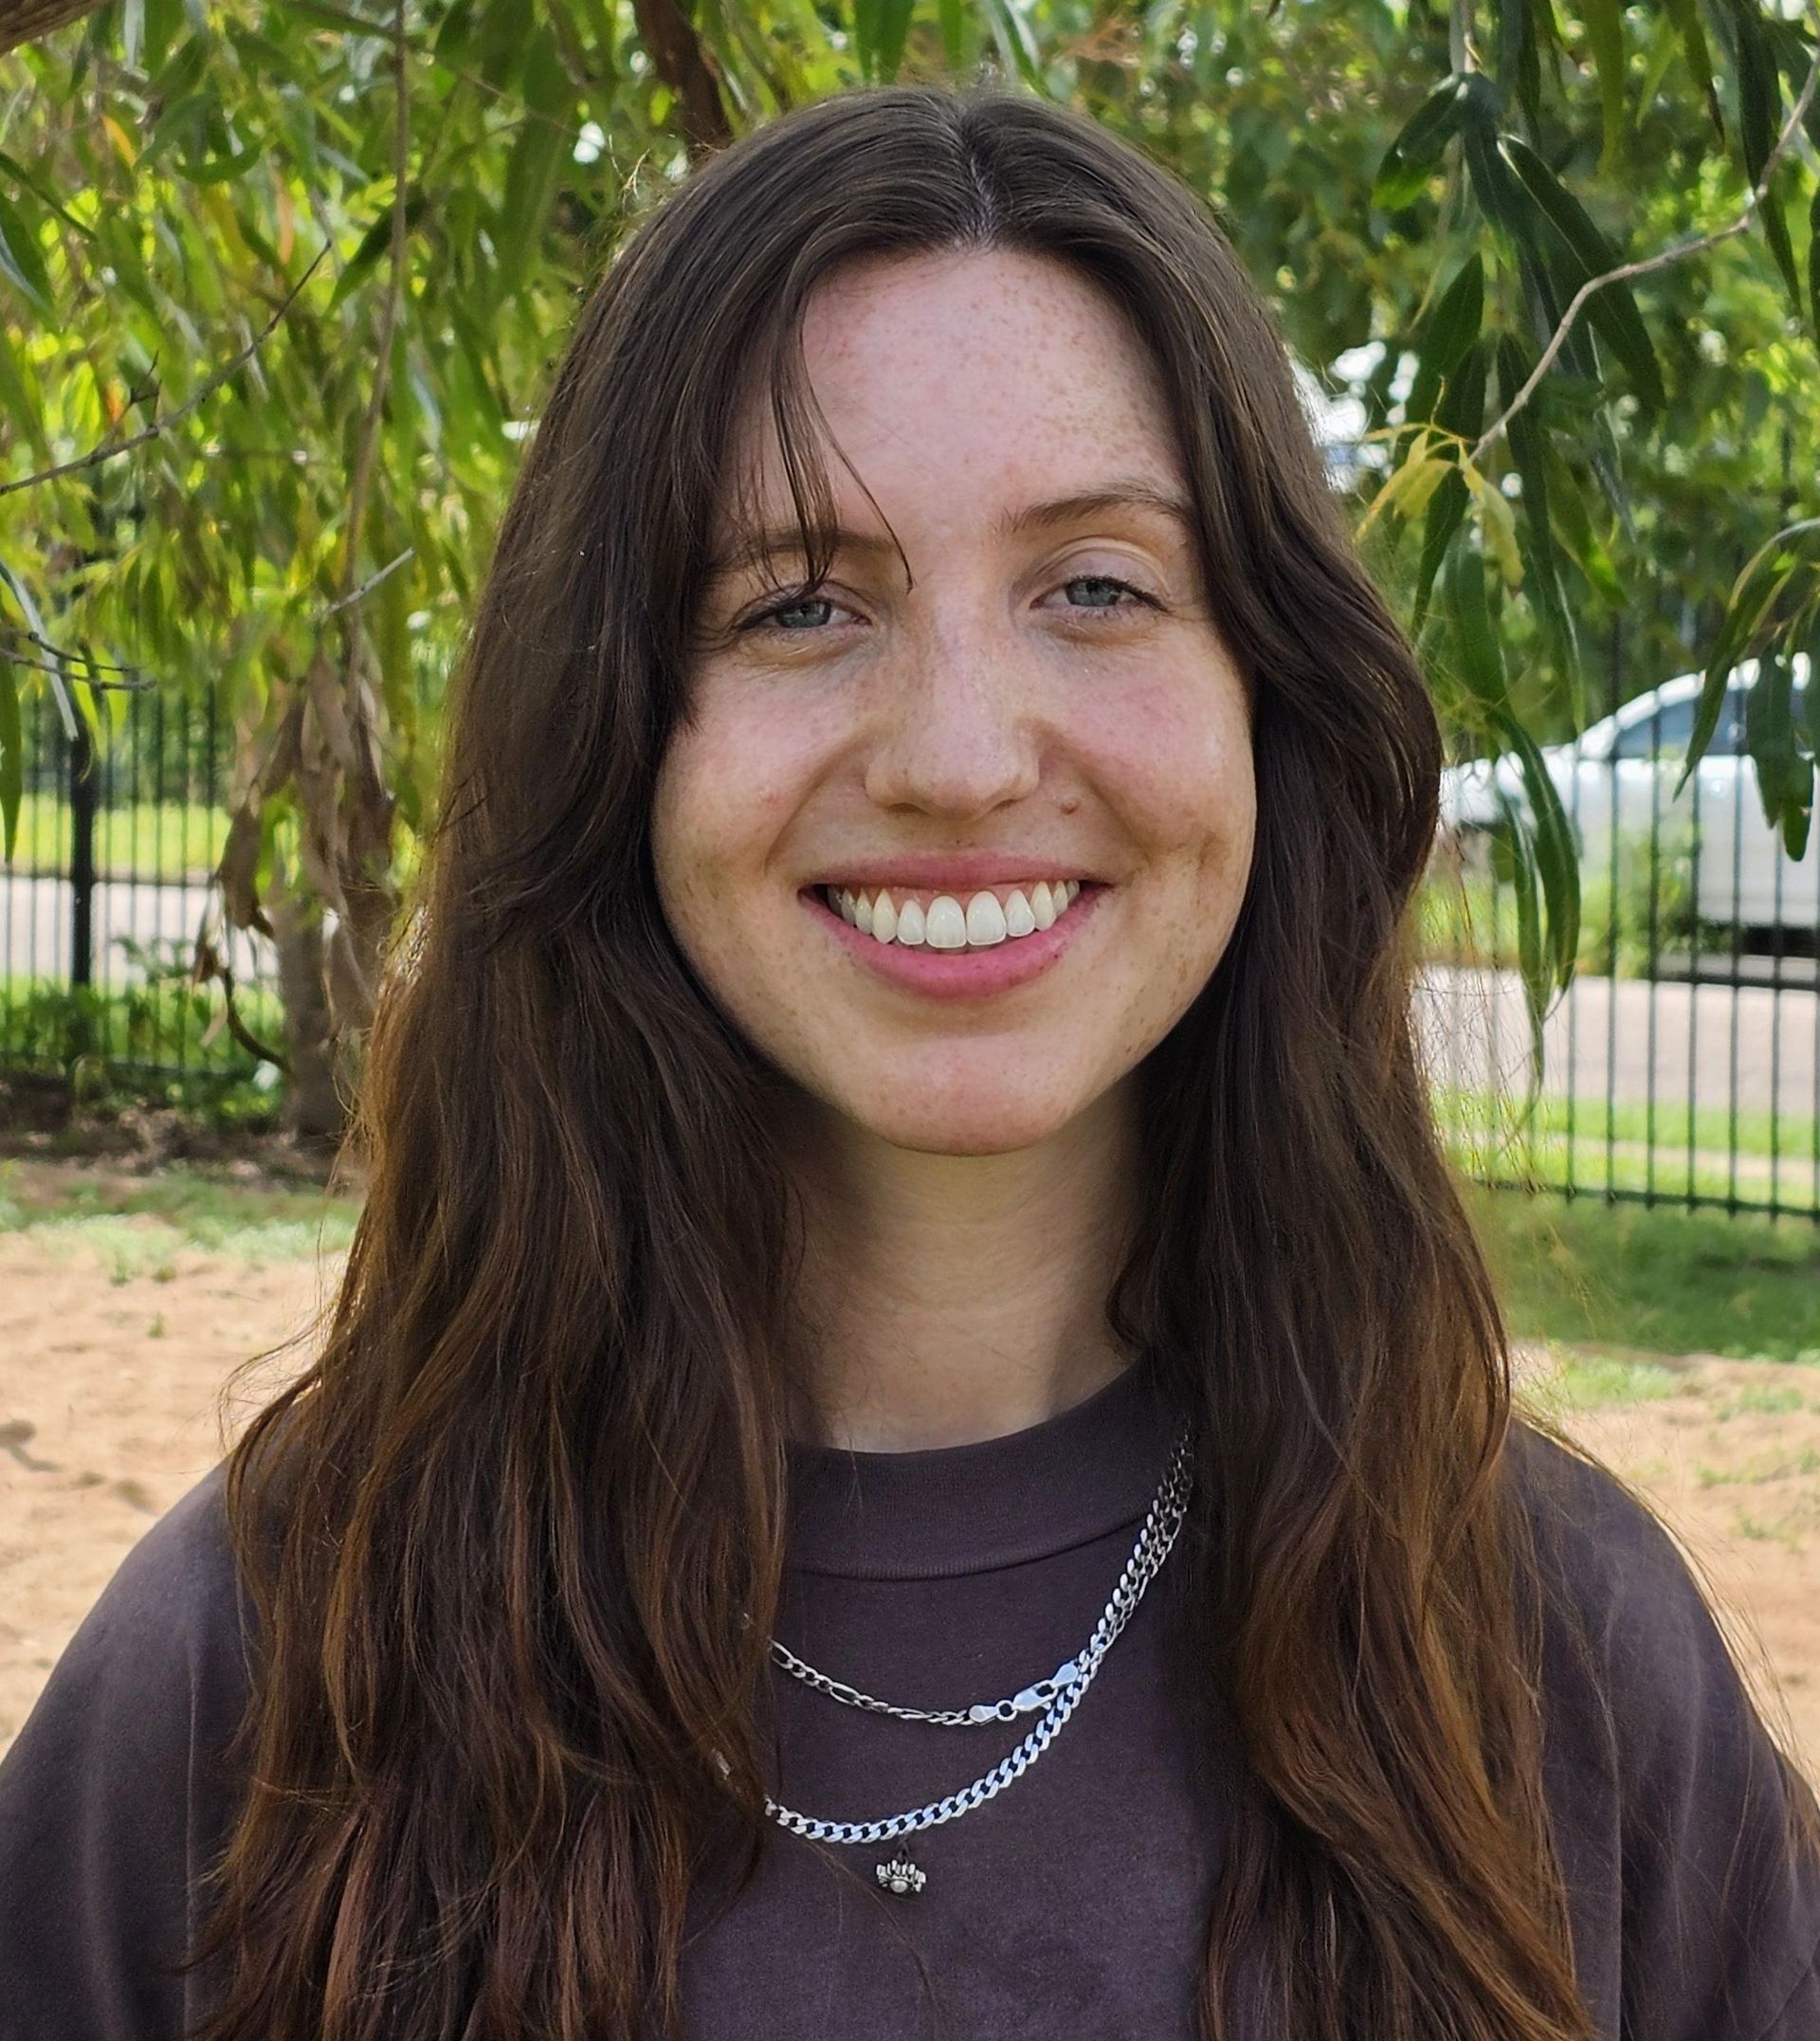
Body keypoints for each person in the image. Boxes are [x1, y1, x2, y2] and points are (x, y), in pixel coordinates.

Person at [1, 82, 1817, 2041]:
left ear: (1269, 702)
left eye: (1099, 587)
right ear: (622, 731)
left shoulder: (1557, 1662)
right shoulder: (259, 1678)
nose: (960, 755)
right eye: (800, 600)